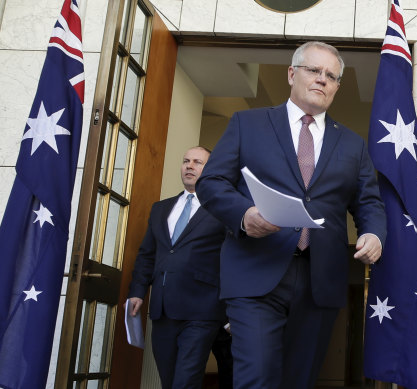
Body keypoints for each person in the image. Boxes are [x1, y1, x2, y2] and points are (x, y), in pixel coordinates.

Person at [195, 41, 387, 389]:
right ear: (291, 74)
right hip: (255, 273)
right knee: (257, 376)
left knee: (299, 380)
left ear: (338, 86)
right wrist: (243, 215)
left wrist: (373, 233)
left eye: (331, 76)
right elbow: (211, 182)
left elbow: (368, 202)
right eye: (314, 70)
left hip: (321, 279)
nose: (322, 80)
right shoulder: (247, 123)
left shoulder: (353, 145)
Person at [127, 146, 227, 389]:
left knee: (186, 381)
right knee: (169, 380)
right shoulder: (160, 208)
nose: (189, 166)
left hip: (202, 310)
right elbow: (147, 254)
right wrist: (138, 291)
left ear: (210, 170)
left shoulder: (222, 209)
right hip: (162, 310)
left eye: (197, 162)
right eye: (186, 161)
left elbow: (233, 259)